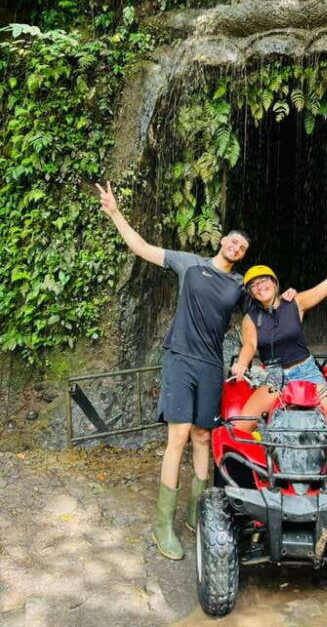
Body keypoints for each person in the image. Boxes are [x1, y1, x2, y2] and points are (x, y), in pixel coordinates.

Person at [96, 181, 254, 560]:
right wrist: (116, 213)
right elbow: (142, 248)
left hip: (211, 364)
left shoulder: (238, 285)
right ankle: (162, 524)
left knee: (203, 436)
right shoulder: (190, 264)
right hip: (180, 357)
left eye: (243, 248)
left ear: (244, 255)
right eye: (233, 241)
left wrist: (248, 355)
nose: (236, 247)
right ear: (222, 242)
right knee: (179, 434)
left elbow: (256, 318)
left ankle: (195, 513)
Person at [232, 235, 327, 438]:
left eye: (264, 280)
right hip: (275, 378)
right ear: (250, 292)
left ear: (274, 283)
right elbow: (249, 344)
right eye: (253, 285)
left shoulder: (295, 302)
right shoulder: (250, 318)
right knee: (239, 429)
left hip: (306, 373)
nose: (260, 286)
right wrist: (241, 363)